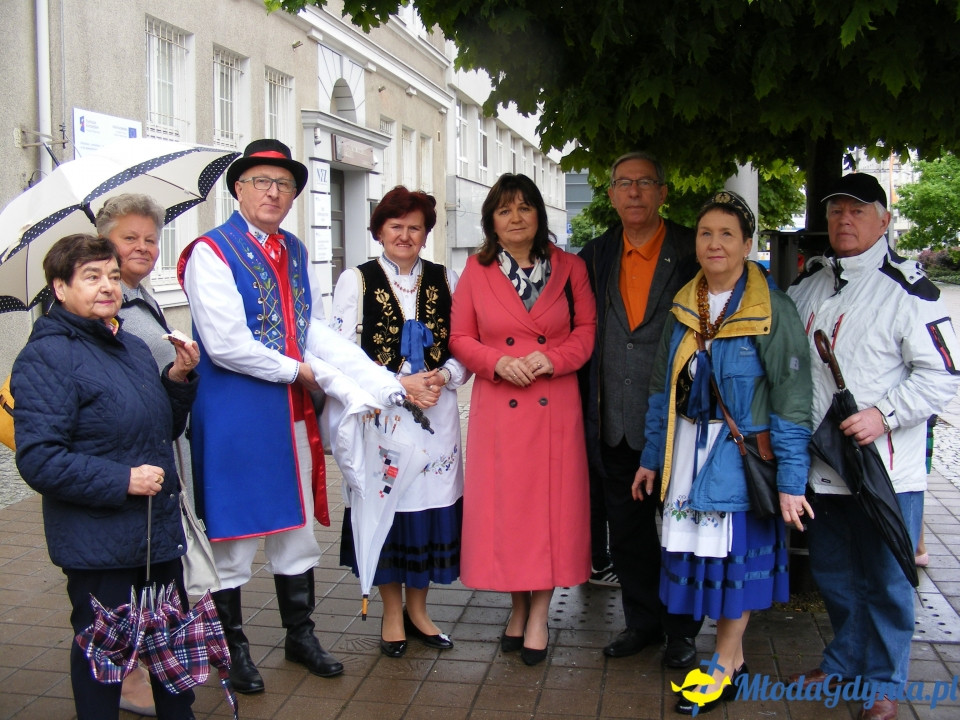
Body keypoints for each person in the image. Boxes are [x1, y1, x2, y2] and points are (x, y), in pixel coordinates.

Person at [178, 139, 404, 694]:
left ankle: (299, 636)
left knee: (296, 530)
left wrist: (374, 381)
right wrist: (303, 373)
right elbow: (226, 343)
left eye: (284, 185)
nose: (273, 192)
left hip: (288, 414)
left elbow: (310, 329)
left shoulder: (295, 250)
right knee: (234, 534)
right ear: (238, 188)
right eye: (261, 181)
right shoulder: (211, 251)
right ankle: (232, 648)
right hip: (235, 410)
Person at [787, 173, 960, 720]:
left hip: (884, 467)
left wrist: (883, 415)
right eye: (836, 210)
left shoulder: (911, 291)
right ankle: (844, 663)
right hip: (823, 463)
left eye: (858, 211)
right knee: (836, 573)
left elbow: (945, 374)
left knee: (887, 579)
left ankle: (883, 681)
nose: (844, 220)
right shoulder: (809, 285)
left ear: (884, 220)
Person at [634, 192, 813, 715]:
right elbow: (658, 391)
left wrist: (791, 481)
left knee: (734, 563)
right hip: (686, 452)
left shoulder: (771, 310)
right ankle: (727, 659)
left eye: (727, 234)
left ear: (747, 244)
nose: (714, 244)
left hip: (739, 456)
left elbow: (792, 399)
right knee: (702, 562)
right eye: (706, 233)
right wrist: (651, 458)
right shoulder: (685, 306)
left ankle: (726, 661)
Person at [12, 234, 199, 720]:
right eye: (91, 276)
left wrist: (177, 381)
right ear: (59, 288)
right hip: (99, 540)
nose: (107, 286)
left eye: (113, 276)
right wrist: (123, 480)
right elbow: (39, 459)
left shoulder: (132, 346)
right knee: (105, 661)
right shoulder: (46, 358)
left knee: (170, 649)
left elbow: (159, 432)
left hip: (154, 535)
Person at [450, 173, 596, 666]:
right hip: (500, 406)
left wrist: (553, 359)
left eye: (524, 208)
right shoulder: (476, 269)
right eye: (505, 209)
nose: (515, 218)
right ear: (492, 220)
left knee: (548, 514)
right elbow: (460, 337)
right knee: (510, 516)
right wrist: (496, 363)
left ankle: (538, 615)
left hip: (554, 405)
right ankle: (517, 608)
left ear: (540, 214)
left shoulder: (570, 268)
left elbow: (586, 331)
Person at [328, 186, 467, 658]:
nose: (405, 235)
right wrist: (398, 383)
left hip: (436, 413)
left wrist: (445, 375)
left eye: (415, 227)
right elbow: (340, 354)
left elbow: (463, 345)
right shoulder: (356, 279)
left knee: (427, 512)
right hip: (381, 416)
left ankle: (420, 610)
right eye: (396, 226)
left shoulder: (446, 279)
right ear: (379, 231)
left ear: (426, 234)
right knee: (385, 509)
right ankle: (391, 613)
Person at [577, 151, 703, 666]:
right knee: (628, 535)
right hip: (614, 421)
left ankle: (682, 633)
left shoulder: (692, 249)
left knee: (680, 533)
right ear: (610, 194)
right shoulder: (596, 253)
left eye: (645, 183)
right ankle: (642, 623)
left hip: (678, 424)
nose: (634, 192)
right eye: (623, 184)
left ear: (663, 192)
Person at [96, 193, 174, 715]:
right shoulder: (98, 300)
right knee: (117, 579)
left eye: (150, 238)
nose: (143, 247)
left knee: (150, 576)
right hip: (118, 463)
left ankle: (141, 667)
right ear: (104, 243)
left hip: (158, 453)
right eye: (130, 238)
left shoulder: (141, 294)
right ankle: (122, 678)